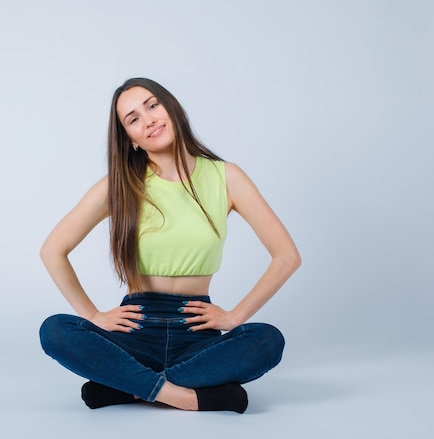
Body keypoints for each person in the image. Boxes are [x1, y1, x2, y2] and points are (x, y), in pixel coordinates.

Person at [38, 78, 301, 412]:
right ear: (130, 139)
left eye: (152, 105)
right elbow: (53, 250)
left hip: (196, 333)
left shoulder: (226, 177)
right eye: (133, 119)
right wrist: (93, 315)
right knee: (56, 330)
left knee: (267, 340)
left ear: (170, 107)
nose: (148, 120)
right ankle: (186, 396)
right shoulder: (118, 187)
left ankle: (127, 387)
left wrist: (235, 316)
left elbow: (287, 256)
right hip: (134, 331)